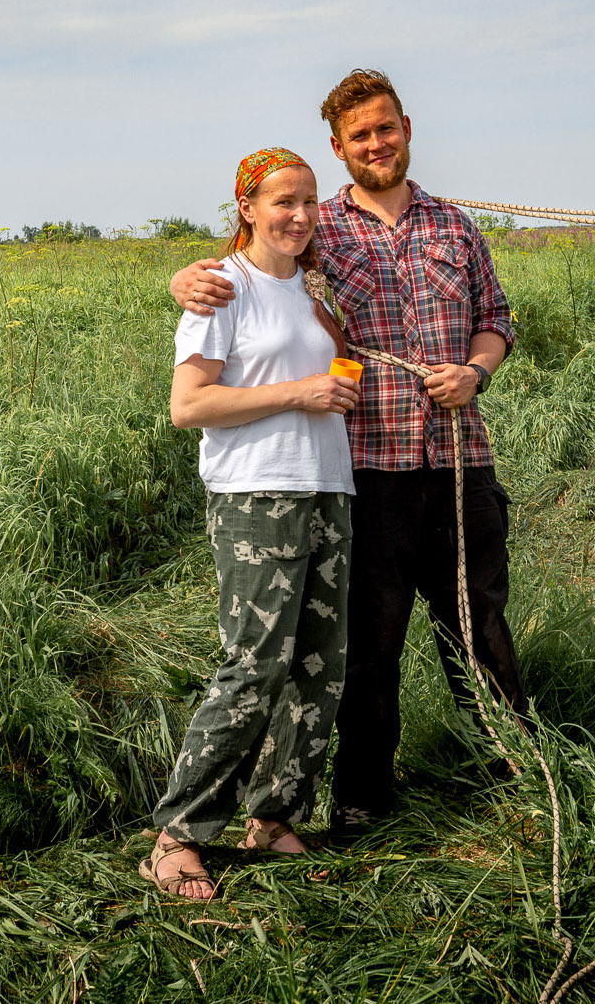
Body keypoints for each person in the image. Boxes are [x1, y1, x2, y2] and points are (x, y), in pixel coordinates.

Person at [170, 69, 522, 832]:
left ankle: (512, 773)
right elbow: (246, 266)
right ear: (339, 147)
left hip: (461, 459)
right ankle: (363, 795)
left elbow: (497, 318)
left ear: (406, 127)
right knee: (368, 641)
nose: (376, 143)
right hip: (367, 471)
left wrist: (476, 369)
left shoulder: (455, 226)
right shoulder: (317, 228)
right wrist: (181, 278)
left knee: (480, 625)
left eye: (385, 127)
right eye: (359, 135)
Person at [141, 147, 361, 902]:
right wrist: (300, 393)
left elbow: (333, 368)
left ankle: (274, 813)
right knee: (255, 663)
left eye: (308, 201)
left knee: (316, 662)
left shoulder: (314, 283)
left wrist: (327, 389)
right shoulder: (220, 289)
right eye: (281, 201)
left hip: (328, 486)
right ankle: (178, 833)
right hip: (255, 495)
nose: (298, 215)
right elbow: (189, 405)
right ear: (246, 205)